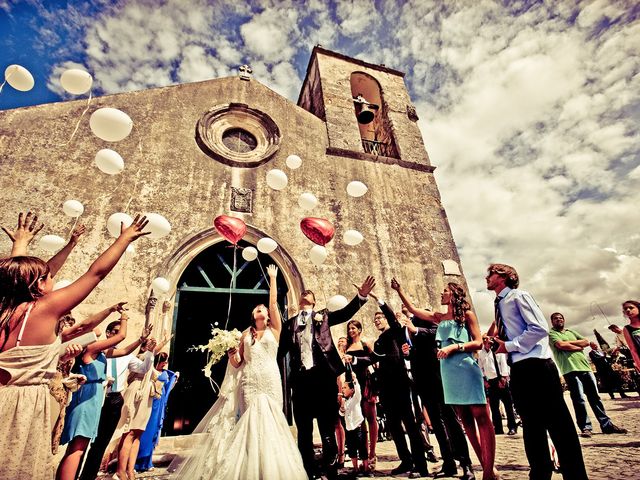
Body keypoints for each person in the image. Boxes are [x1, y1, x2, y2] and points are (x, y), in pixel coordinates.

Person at [0, 214, 149, 480]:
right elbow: (96, 273)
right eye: (48, 276)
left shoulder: (4, 309)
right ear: (38, 286)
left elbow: (15, 276)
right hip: (25, 404)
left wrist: (20, 245)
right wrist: (124, 239)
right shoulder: (44, 309)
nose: (53, 277)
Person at [171, 265, 306, 479]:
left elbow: (272, 303)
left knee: (271, 422)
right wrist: (231, 353)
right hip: (250, 381)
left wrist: (272, 278)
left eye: (263, 308)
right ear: (253, 315)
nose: (261, 309)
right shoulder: (245, 334)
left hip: (270, 380)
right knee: (250, 423)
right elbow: (237, 363)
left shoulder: (275, 330)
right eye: (257, 308)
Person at [486, 263, 588, 480]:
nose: (487, 277)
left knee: (560, 427)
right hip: (520, 369)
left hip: (538, 367)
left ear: (504, 277)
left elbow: (539, 328)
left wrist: (509, 345)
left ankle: (576, 475)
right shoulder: (499, 304)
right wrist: (499, 343)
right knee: (532, 428)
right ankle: (540, 475)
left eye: (491, 274)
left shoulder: (518, 296)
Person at [394, 279, 494, 480]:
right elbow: (412, 308)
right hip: (447, 372)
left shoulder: (467, 315)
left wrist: (453, 347)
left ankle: (485, 470)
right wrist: (399, 290)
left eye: (445, 290)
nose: (441, 293)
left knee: (478, 418)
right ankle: (482, 465)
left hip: (465, 367)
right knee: (465, 421)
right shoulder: (439, 317)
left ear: (454, 294)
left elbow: (477, 342)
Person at [278, 275, 375, 479]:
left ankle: (331, 470)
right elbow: (280, 353)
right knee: (304, 432)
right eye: (303, 294)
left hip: (323, 380)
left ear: (313, 302)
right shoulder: (289, 324)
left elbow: (346, 312)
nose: (305, 295)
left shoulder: (323, 316)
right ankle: (309, 470)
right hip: (301, 382)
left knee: (327, 428)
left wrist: (361, 296)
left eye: (309, 294)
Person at [56, 309, 145, 480]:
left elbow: (124, 350)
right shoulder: (90, 349)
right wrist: (123, 316)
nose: (96, 328)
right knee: (78, 447)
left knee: (79, 446)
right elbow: (120, 337)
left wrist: (141, 340)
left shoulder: (99, 352)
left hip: (94, 397)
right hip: (87, 398)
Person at [78, 322, 158, 480]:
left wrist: (149, 352)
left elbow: (143, 369)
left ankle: (88, 476)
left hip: (115, 399)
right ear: (108, 333)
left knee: (101, 443)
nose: (118, 335)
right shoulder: (99, 351)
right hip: (97, 396)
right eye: (114, 332)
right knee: (83, 441)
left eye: (118, 332)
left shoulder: (126, 355)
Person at [371, 294, 429, 479]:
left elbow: (391, 319)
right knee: (394, 427)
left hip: (400, 384)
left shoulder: (394, 331)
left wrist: (379, 301)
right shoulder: (379, 341)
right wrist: (356, 358)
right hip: (386, 388)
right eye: (375, 320)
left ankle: (421, 465)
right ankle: (406, 460)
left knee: (410, 426)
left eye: (379, 317)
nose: (377, 321)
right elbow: (374, 358)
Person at [548, 312, 627, 437]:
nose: (559, 320)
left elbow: (586, 342)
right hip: (570, 369)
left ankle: (606, 425)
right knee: (579, 399)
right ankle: (585, 427)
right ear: (552, 321)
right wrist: (578, 347)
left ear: (564, 319)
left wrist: (573, 345)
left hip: (585, 367)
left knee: (595, 397)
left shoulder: (571, 332)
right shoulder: (551, 333)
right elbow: (561, 345)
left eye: (561, 318)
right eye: (555, 319)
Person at [112, 336, 158, 480]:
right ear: (143, 346)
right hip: (136, 391)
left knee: (138, 432)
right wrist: (152, 348)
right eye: (149, 344)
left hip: (146, 394)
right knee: (129, 431)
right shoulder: (140, 356)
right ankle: (120, 470)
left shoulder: (149, 357)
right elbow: (145, 366)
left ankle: (130, 470)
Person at [135, 352, 179, 472]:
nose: (165, 363)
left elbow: (168, 387)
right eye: (163, 360)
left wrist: (174, 379)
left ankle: (147, 462)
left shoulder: (166, 373)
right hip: (152, 400)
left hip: (160, 403)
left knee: (155, 432)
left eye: (166, 361)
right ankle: (137, 462)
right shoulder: (151, 371)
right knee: (146, 431)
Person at [344, 319, 378, 471]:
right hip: (353, 385)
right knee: (359, 421)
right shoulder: (347, 347)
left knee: (371, 418)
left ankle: (372, 454)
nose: (351, 331)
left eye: (353, 328)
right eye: (349, 328)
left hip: (366, 383)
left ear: (359, 329)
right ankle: (363, 456)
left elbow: (374, 360)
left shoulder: (366, 344)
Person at [477, 336, 518, 435]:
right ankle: (498, 428)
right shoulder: (481, 354)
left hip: (501, 380)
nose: (488, 341)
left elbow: (503, 364)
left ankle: (512, 427)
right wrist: (484, 380)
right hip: (491, 381)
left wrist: (503, 378)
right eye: (485, 339)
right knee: (494, 407)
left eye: (489, 339)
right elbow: (480, 368)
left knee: (508, 405)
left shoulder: (497, 351)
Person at [340, 371, 370, 476]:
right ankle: (355, 468)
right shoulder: (345, 401)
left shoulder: (355, 398)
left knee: (362, 447)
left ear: (351, 390)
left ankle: (366, 467)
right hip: (349, 428)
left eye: (345, 387)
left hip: (357, 427)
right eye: (342, 388)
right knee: (352, 448)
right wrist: (342, 407)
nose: (343, 389)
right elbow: (341, 414)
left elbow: (358, 391)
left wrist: (354, 380)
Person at [622, 300, 640, 372]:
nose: (628, 310)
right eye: (625, 309)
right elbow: (633, 350)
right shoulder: (627, 328)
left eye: (631, 307)